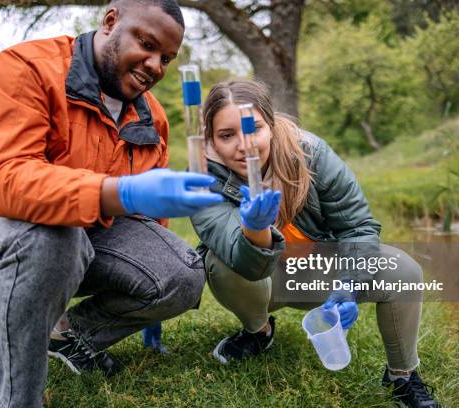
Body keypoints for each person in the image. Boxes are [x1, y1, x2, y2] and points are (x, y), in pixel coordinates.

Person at [0, 1, 224, 407]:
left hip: (84, 239)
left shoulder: (151, 115)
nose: (155, 65)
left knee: (184, 274)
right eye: (147, 44)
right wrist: (122, 193)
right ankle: (16, 399)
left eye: (166, 58)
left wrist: (159, 299)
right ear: (110, 20)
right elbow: (8, 183)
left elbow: (147, 223)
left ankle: (64, 335)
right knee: (53, 237)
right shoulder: (25, 68)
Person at [190, 79, 443, 408]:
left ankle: (402, 376)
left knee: (403, 271)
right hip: (260, 278)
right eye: (227, 135)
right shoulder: (202, 178)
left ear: (272, 124)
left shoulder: (308, 151)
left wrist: (350, 284)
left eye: (254, 128)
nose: (244, 146)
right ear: (210, 138)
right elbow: (240, 258)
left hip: (317, 267)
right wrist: (254, 229)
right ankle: (259, 331)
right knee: (220, 263)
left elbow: (358, 225)